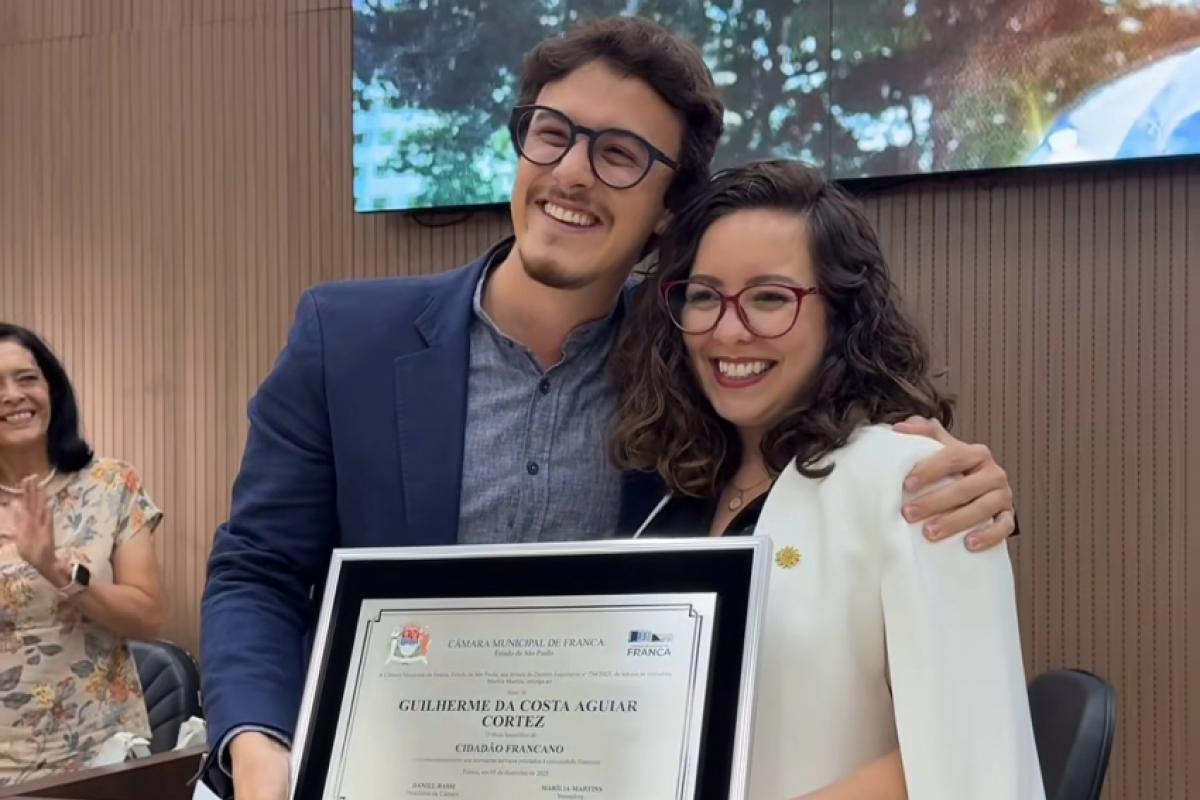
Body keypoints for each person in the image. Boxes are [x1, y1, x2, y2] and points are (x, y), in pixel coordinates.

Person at [200, 17, 1019, 800]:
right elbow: (258, 572)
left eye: (621, 154)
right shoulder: (343, 338)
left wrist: (949, 492)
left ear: (670, 209)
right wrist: (259, 748)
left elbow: (822, 482)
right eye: (553, 133)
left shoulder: (693, 363)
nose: (572, 173)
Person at [612, 160, 1042, 799]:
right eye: (704, 295)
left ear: (840, 314)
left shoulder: (918, 482)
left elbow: (967, 753)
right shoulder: (673, 493)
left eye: (769, 297)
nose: (730, 330)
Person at [0, 324, 166, 785]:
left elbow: (149, 617)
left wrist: (54, 569)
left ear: (52, 388)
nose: (13, 395)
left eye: (26, 378)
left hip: (99, 752)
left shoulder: (112, 484)